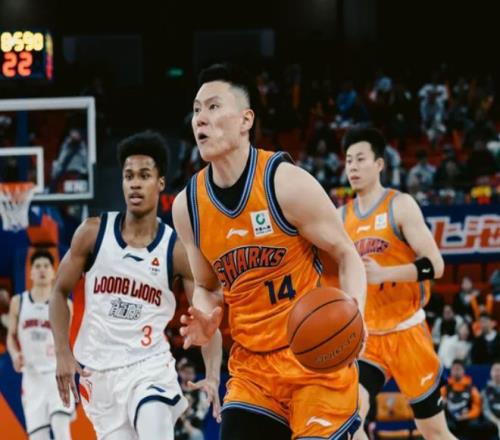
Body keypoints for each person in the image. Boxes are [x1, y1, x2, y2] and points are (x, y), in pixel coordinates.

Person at [172, 63, 367, 439]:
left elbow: (346, 252)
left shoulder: (285, 183)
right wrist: (206, 315)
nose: (201, 118)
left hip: (314, 357)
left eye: (213, 107)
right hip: (253, 371)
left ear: (245, 120)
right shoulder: (188, 206)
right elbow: (207, 286)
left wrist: (355, 314)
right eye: (196, 110)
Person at [49, 131, 216, 440]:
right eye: (129, 176)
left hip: (149, 365)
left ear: (160, 182)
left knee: (154, 426)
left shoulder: (175, 250)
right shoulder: (92, 233)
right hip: (99, 374)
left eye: (144, 175)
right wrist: (62, 352)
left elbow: (208, 322)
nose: (135, 183)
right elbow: (58, 292)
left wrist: (214, 374)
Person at [340, 127, 457, 440]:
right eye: (348, 160)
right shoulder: (340, 217)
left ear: (379, 164)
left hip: (407, 333)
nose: (352, 167)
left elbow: (436, 265)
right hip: (368, 338)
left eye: (360, 159)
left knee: (434, 432)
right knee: (349, 421)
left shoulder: (400, 205)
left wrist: (384, 274)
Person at [7, 250, 74, 440]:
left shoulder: (64, 304)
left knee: (61, 430)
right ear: (31, 273)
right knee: (38, 437)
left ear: (53, 272)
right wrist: (14, 354)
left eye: (46, 266)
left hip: (56, 374)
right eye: (37, 266)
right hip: (31, 377)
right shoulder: (18, 302)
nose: (42, 270)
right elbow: (11, 336)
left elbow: (67, 340)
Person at [441, 359, 482, 440]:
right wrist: (442, 404)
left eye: (458, 369)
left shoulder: (472, 389)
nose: (456, 372)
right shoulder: (444, 388)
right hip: (450, 421)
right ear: (451, 371)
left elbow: (477, 407)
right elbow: (437, 405)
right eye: (454, 369)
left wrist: (467, 415)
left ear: (463, 371)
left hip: (466, 421)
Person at [482, 361, 500, 440]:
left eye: (499, 370)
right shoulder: (485, 391)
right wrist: (497, 422)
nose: (497, 373)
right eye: (495, 370)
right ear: (490, 373)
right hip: (492, 423)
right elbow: (486, 410)